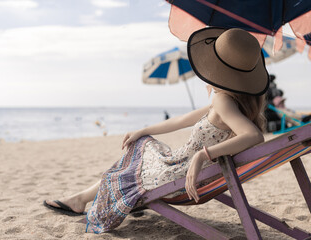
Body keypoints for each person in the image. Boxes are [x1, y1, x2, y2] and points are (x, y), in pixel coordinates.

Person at [43, 28, 269, 234]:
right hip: (183, 167)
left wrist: (203, 155)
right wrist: (142, 130)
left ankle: (82, 199)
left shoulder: (222, 100)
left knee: (133, 162)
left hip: (182, 173)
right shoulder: (233, 101)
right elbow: (181, 120)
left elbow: (252, 135)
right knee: (142, 144)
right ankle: (82, 198)